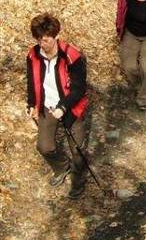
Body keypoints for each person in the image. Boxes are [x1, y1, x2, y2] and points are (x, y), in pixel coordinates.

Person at [26, 13, 89, 199]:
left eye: (45, 40)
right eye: (38, 40)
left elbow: (79, 89)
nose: (41, 45)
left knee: (78, 150)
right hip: (47, 105)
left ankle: (79, 181)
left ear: (56, 37)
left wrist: (63, 106)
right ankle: (62, 167)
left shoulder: (71, 56)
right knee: (44, 147)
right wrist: (31, 104)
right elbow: (31, 81)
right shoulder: (32, 55)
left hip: (70, 106)